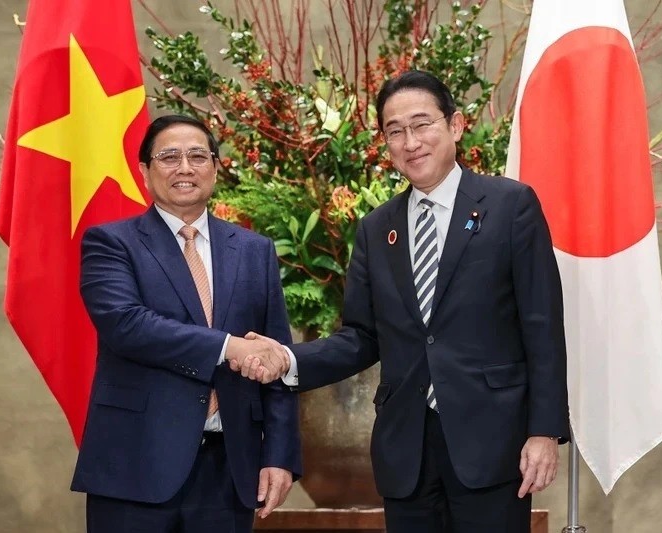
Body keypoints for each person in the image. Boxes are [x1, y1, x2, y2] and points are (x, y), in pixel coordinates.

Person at [237, 71, 569, 533]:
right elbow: (361, 337)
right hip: (406, 449)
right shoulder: (377, 228)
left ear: (454, 125)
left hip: (493, 443)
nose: (410, 142)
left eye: (422, 124)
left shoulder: (510, 206)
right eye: (395, 131)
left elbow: (543, 325)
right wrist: (287, 359)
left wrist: (544, 431)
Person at [71, 114, 300, 533]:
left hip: (230, 468)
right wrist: (230, 347)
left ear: (215, 166)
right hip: (135, 464)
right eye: (169, 157)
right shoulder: (110, 242)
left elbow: (276, 357)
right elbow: (128, 325)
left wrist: (281, 455)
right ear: (144, 171)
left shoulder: (254, 250)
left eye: (198, 156)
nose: (185, 168)